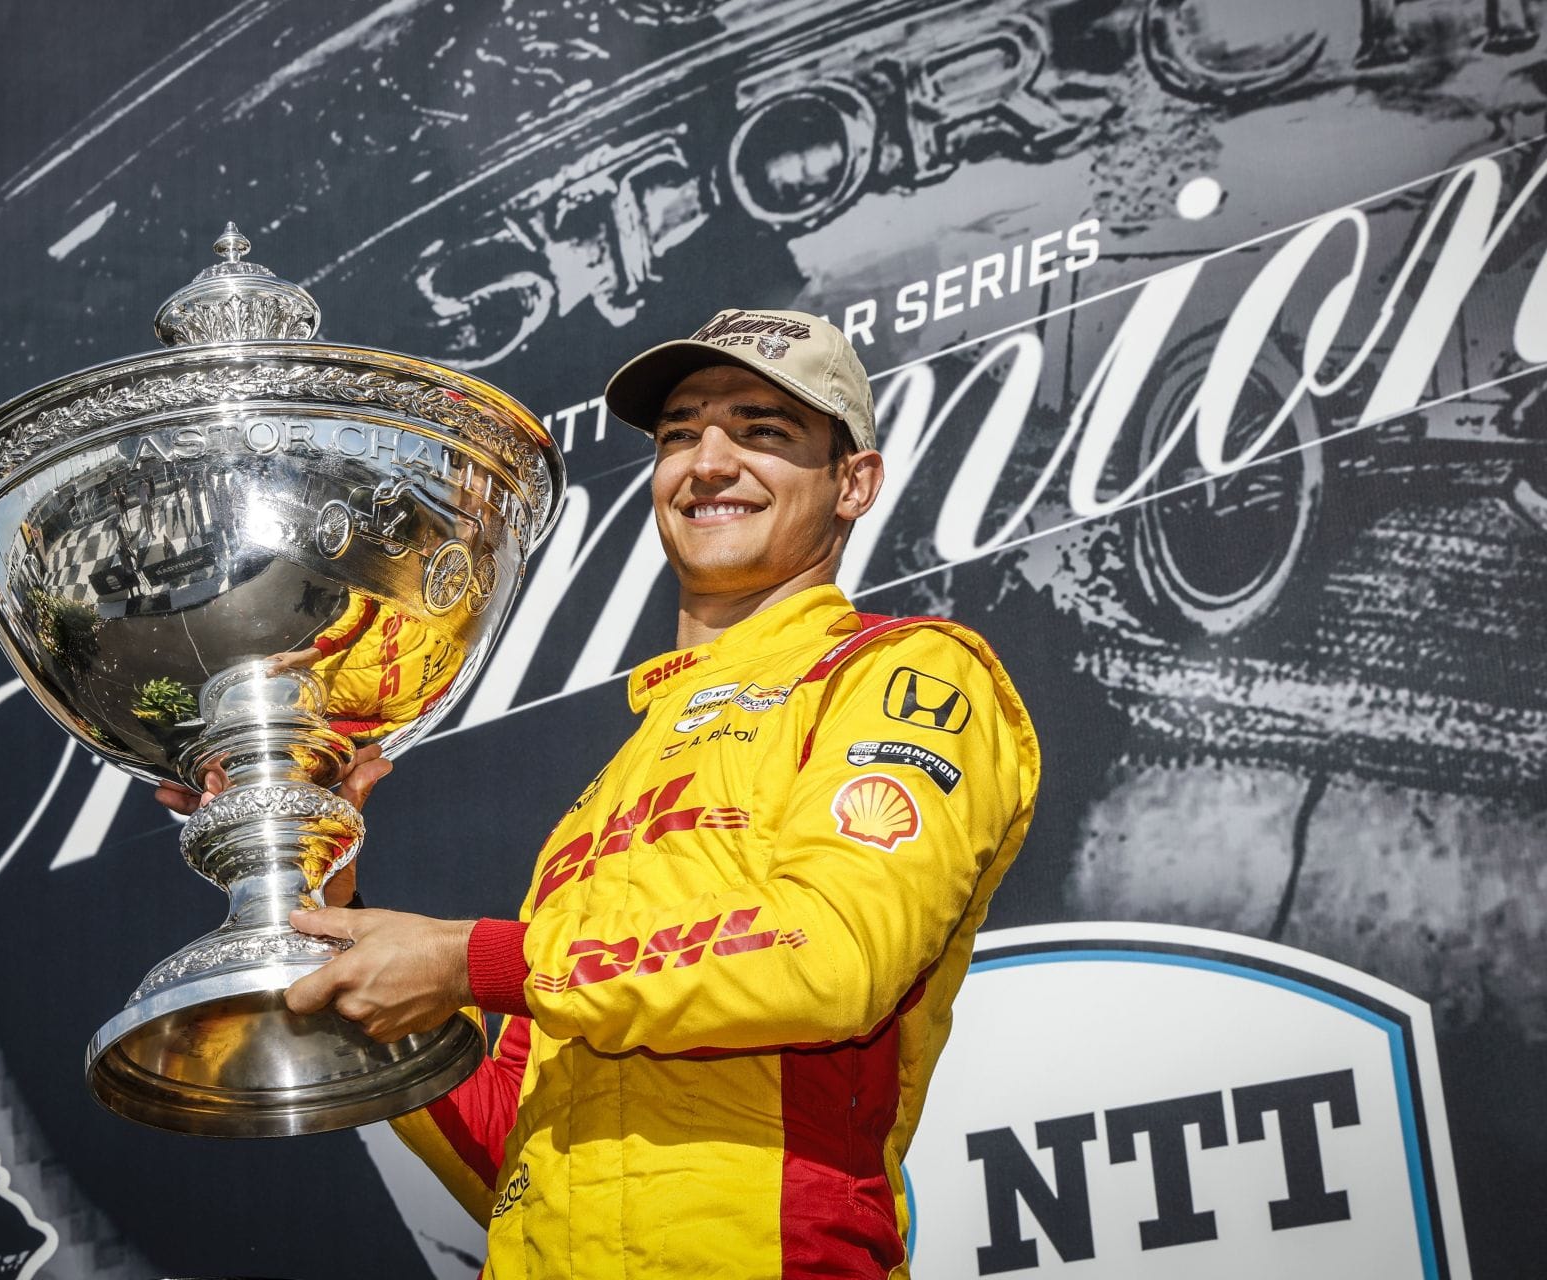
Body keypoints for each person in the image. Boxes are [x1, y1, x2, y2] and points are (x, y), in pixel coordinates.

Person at [159, 308, 1040, 1277]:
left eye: (763, 430)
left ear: (854, 484)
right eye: (679, 435)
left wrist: (471, 960)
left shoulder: (902, 673)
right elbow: (508, 1155)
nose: (708, 461)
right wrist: (323, 890)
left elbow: (827, 957)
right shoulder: (610, 790)